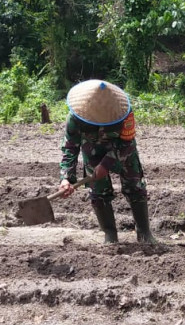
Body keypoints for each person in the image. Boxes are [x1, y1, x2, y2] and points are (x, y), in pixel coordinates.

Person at [57, 79, 156, 244]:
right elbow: (70, 148)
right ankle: (110, 234)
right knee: (99, 192)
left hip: (122, 151)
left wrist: (107, 163)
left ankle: (144, 231)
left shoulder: (125, 114)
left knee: (135, 187)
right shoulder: (75, 119)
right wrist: (66, 177)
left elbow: (127, 143)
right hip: (92, 153)